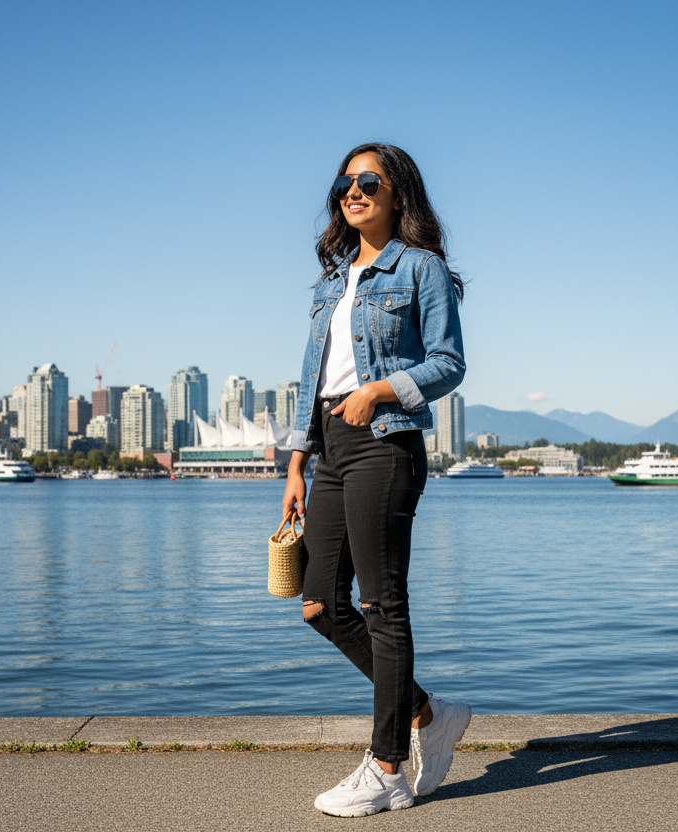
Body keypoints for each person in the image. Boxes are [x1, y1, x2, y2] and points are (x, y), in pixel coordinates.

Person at [283, 143, 471, 817]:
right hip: (329, 447)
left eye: (370, 181)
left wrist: (381, 390)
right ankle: (428, 713)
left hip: (384, 442)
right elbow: (311, 382)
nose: (354, 190)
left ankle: (389, 765)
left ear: (398, 195)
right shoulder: (330, 281)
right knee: (318, 604)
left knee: (381, 604)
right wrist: (298, 464)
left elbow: (448, 364)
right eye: (345, 182)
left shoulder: (422, 270)